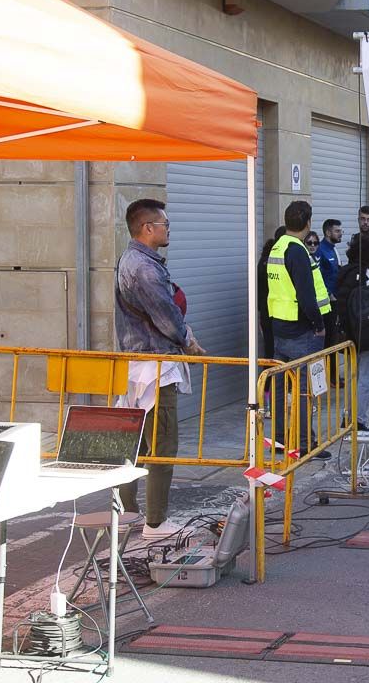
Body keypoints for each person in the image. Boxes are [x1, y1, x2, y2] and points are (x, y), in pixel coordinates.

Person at [114, 198, 206, 538]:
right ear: (147, 228)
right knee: (161, 443)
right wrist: (188, 341)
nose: (169, 228)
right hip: (153, 365)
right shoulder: (143, 267)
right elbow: (166, 314)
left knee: (137, 444)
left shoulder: (136, 261)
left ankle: (129, 512)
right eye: (164, 223)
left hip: (142, 362)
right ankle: (155, 522)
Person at [267, 200, 333, 454]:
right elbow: (306, 295)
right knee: (306, 390)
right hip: (302, 330)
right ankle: (306, 444)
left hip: (280, 328)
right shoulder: (297, 251)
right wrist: (319, 324)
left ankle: (281, 439)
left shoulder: (278, 246)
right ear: (308, 223)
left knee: (282, 389)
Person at [337, 231, 369, 433]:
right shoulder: (366, 274)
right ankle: (359, 420)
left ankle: (347, 418)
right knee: (367, 377)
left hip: (350, 334)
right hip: (366, 334)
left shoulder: (345, 271)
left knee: (351, 376)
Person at [314, 219, 344, 347]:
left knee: (333, 340)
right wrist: (329, 294)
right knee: (327, 342)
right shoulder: (320, 250)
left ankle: (332, 367)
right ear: (327, 232)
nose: (340, 233)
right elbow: (317, 276)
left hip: (335, 302)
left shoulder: (333, 249)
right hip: (325, 305)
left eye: (341, 230)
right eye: (337, 231)